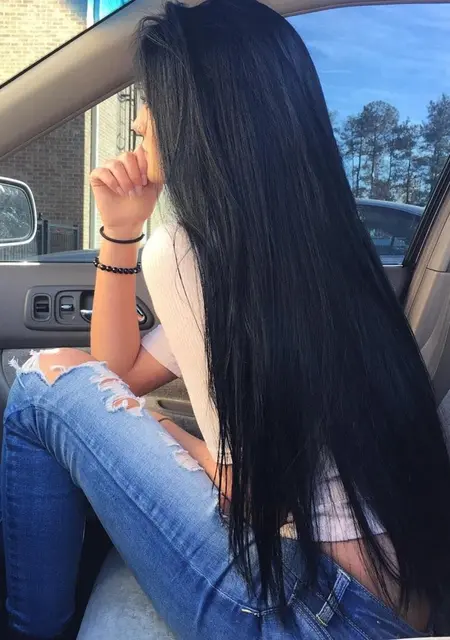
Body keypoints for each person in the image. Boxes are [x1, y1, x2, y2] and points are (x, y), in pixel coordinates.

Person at [2, 0, 450, 638]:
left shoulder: (191, 253)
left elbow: (251, 493)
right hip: (387, 604)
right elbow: (120, 370)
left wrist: (156, 428)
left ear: (200, 116)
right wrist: (121, 233)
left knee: (39, 386)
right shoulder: (313, 252)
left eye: (151, 102)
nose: (140, 124)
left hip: (311, 613)